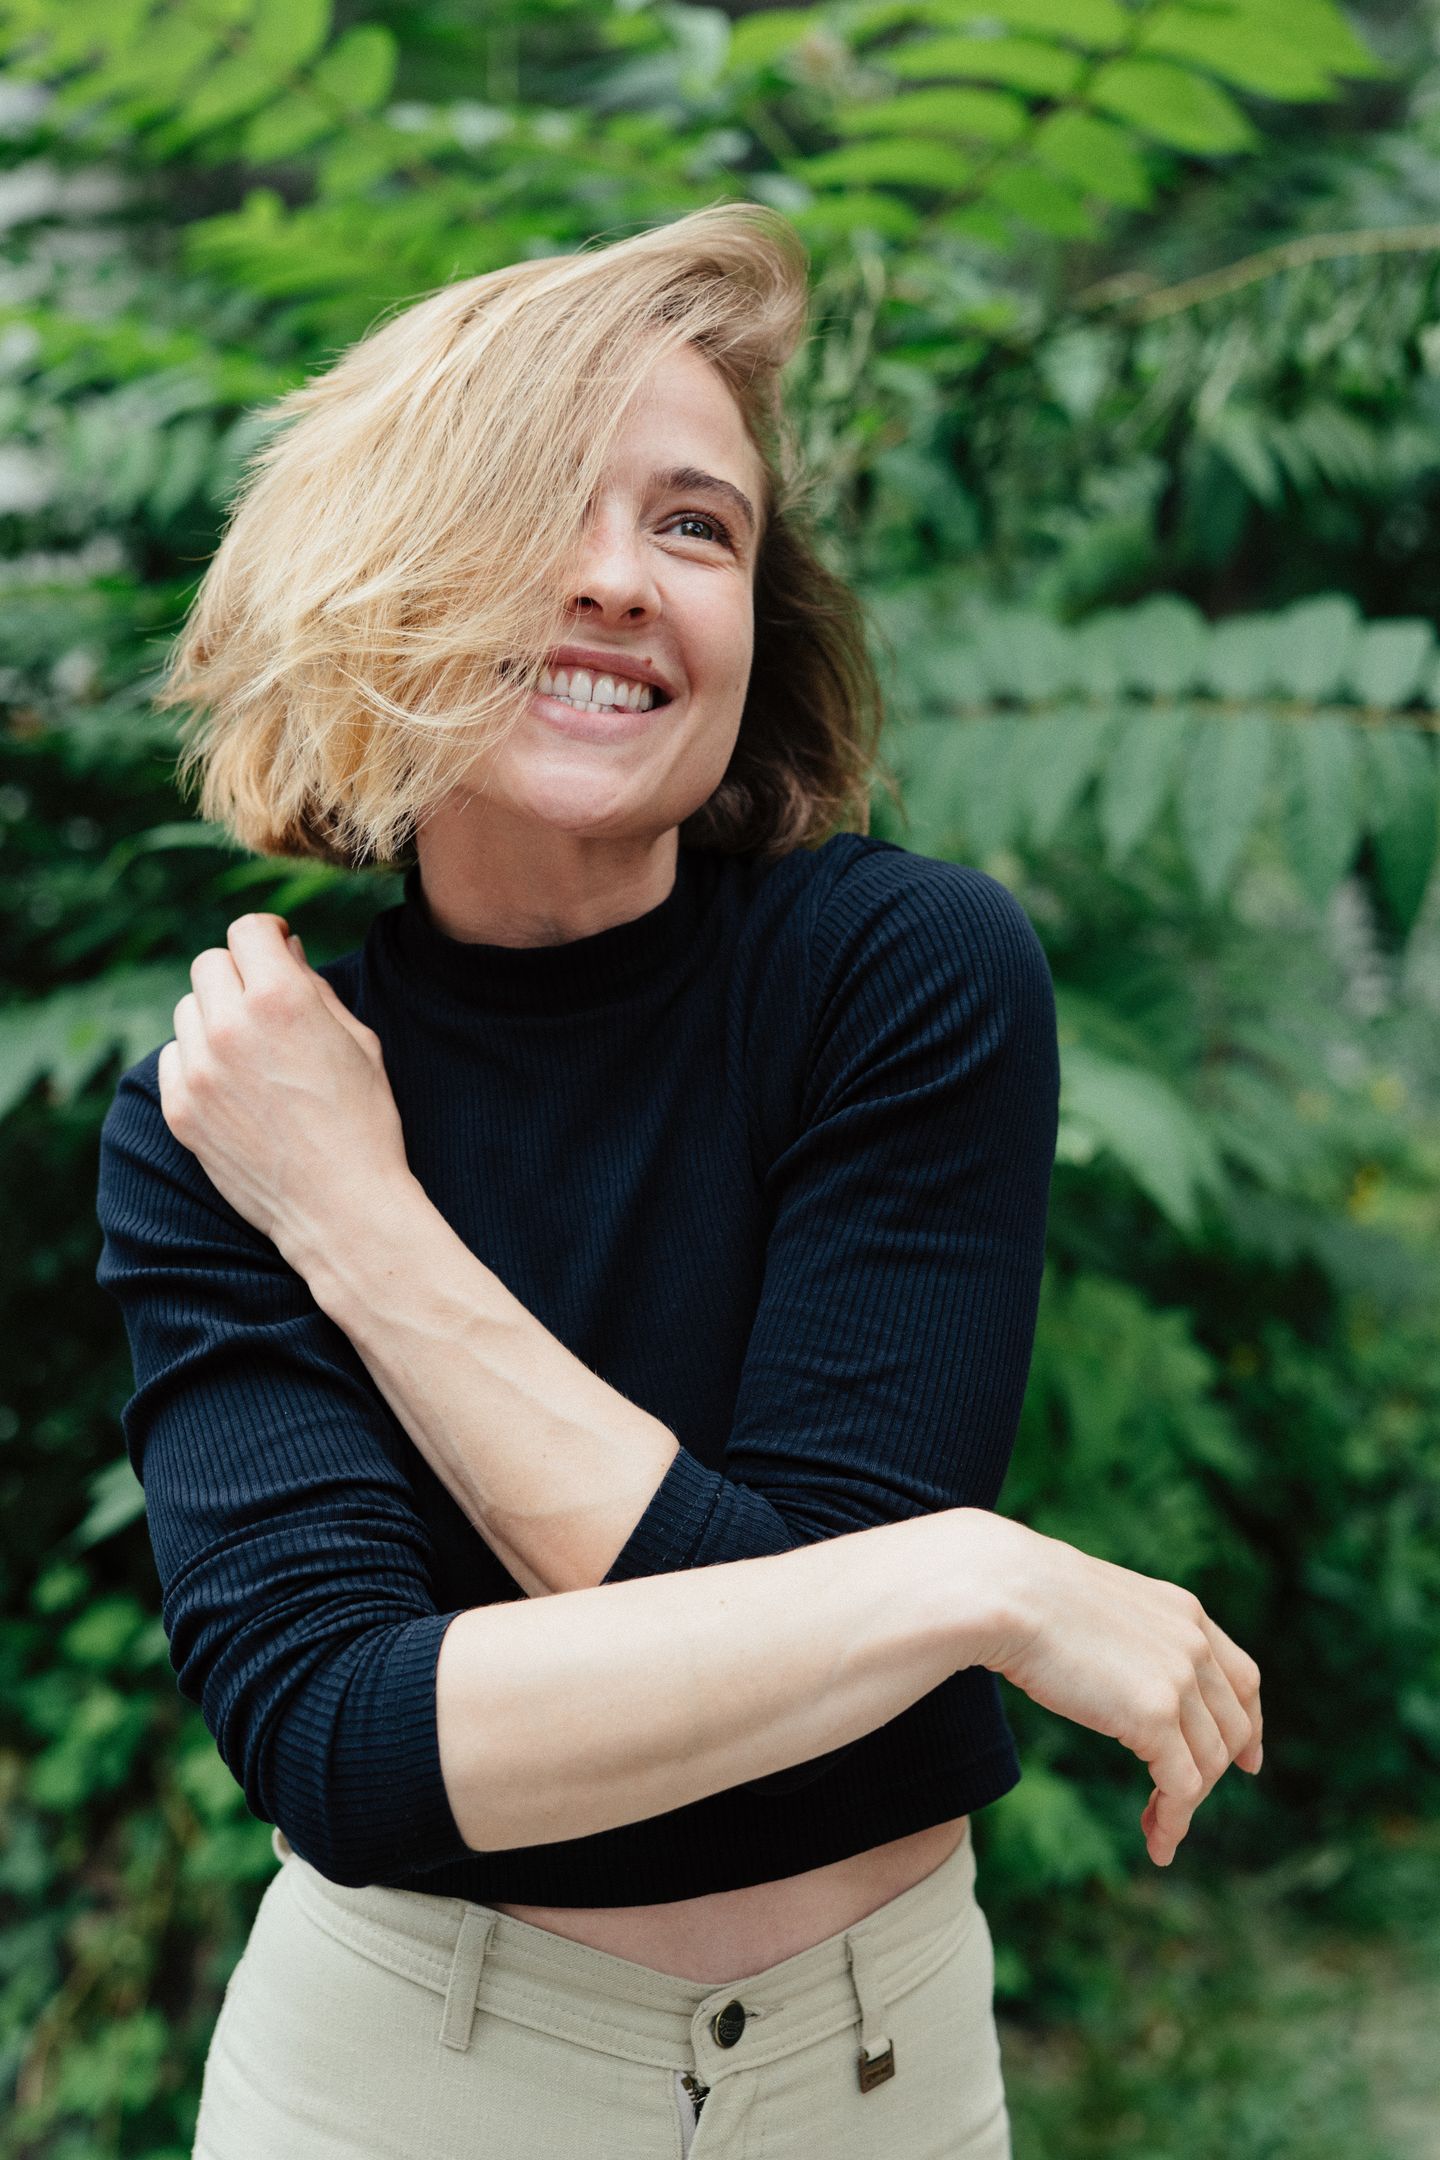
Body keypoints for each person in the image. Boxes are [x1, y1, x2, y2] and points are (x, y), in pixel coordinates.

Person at [94, 202, 1263, 2160]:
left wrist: (361, 1227)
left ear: (753, 622)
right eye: (541, 504)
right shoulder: (230, 1108)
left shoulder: (898, 974)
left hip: (879, 2077)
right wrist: (965, 1581)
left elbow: (839, 1705)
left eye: (697, 526)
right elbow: (341, 1740)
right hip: (401, 2087)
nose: (619, 579)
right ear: (387, 573)